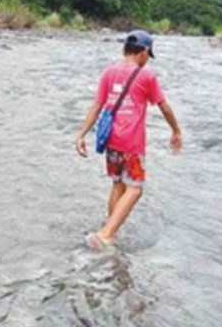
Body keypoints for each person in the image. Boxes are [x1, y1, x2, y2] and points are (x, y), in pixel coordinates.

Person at [75, 30, 182, 249]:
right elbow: (164, 106)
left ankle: (111, 229)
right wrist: (176, 131)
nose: (146, 60)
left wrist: (81, 134)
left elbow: (97, 106)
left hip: (111, 140)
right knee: (135, 189)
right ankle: (105, 235)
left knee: (118, 186)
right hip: (132, 142)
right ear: (143, 51)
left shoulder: (108, 72)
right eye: (147, 55)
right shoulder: (147, 76)